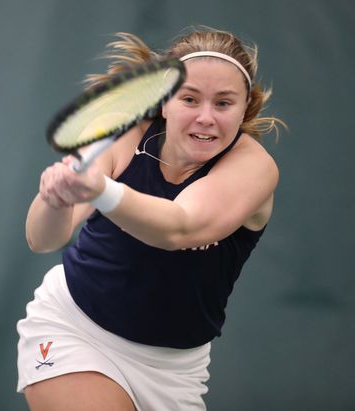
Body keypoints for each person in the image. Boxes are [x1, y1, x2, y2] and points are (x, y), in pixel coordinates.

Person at [17, 27, 285, 411]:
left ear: (244, 109)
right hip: (73, 328)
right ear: (163, 102)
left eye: (223, 103)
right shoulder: (122, 137)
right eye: (189, 99)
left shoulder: (254, 168)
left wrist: (102, 191)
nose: (206, 117)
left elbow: (180, 227)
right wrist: (56, 199)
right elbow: (42, 239)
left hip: (176, 371)